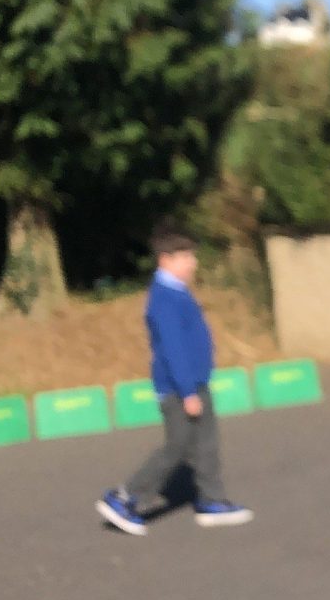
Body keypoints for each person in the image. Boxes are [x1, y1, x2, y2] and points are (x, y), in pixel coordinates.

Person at [97, 225, 251, 536]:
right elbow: (173, 349)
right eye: (186, 257)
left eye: (192, 256)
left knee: (206, 442)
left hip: (194, 382)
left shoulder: (177, 291)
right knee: (178, 446)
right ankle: (124, 498)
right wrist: (187, 392)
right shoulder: (164, 298)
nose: (193, 263)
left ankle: (212, 501)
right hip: (180, 387)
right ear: (165, 260)